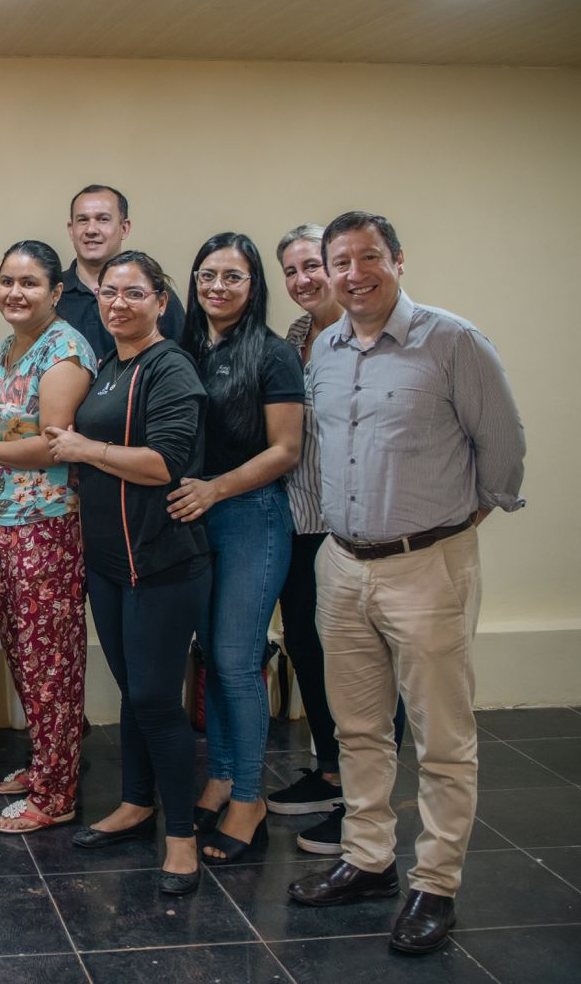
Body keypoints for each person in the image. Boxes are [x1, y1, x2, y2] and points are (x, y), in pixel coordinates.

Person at [288, 212, 526, 955]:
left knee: (442, 737)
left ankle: (436, 883)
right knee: (359, 728)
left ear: (397, 260)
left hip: (429, 563)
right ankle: (366, 859)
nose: (354, 272)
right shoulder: (323, 349)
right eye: (339, 260)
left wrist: (447, 529)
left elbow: (504, 451)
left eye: (369, 257)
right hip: (342, 563)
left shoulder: (453, 340)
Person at [45, 251, 210, 897]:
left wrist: (84, 449)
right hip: (111, 566)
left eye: (133, 292)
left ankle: (182, 836)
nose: (118, 302)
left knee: (153, 702)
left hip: (163, 563)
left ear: (161, 301)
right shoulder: (112, 365)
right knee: (134, 693)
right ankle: (137, 804)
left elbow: (166, 463)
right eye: (109, 291)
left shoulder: (170, 367)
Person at [265, 226, 406, 855]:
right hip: (300, 519)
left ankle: (364, 799)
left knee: (362, 666)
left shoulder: (374, 336)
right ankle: (328, 771)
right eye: (291, 271)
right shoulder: (299, 339)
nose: (303, 280)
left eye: (312, 266)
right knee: (308, 650)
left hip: (349, 524)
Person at [0, 241, 94, 833]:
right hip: (3, 524)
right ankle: (45, 764)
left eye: (29, 283)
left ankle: (57, 795)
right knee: (25, 655)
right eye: (7, 280)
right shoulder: (10, 346)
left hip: (45, 525)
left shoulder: (64, 350)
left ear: (56, 292)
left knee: (51, 658)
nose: (15, 292)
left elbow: (56, 440)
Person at [171, 235, 302, 862]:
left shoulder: (273, 355)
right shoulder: (184, 349)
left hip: (250, 515)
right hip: (195, 522)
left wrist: (215, 490)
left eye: (233, 276)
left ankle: (250, 798)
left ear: (254, 286)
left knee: (236, 659)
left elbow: (286, 450)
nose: (217, 286)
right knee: (208, 655)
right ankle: (221, 776)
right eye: (207, 274)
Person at [56, 185, 184, 359]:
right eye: (83, 220)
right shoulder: (53, 293)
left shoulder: (153, 294)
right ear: (71, 230)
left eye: (103, 219)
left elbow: (179, 357)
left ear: (124, 227)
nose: (91, 230)